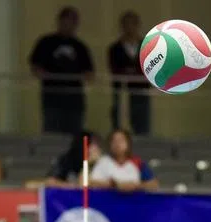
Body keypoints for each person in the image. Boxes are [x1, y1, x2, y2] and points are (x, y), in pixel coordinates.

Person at [29, 6, 95, 135]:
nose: (68, 25)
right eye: (65, 21)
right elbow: (35, 66)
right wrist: (44, 75)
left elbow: (89, 72)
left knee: (74, 134)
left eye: (72, 22)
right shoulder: (45, 42)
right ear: (59, 21)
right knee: (51, 134)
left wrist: (81, 77)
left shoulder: (80, 47)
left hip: (74, 100)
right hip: (52, 97)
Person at [108, 11, 151, 135]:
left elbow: (149, 69)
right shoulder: (114, 48)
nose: (129, 27)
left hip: (141, 93)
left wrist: (131, 72)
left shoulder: (147, 47)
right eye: (126, 24)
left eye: (132, 24)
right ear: (122, 26)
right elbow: (115, 70)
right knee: (119, 128)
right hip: (121, 92)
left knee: (142, 128)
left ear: (137, 25)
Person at [90, 128, 157, 191]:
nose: (117, 144)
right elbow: (87, 183)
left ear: (128, 143)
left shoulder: (137, 162)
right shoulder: (102, 161)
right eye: (114, 141)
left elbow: (153, 184)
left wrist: (134, 186)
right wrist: (113, 185)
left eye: (121, 140)